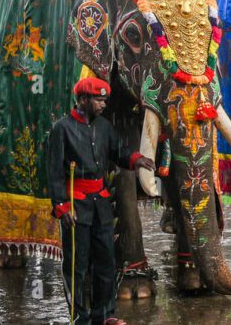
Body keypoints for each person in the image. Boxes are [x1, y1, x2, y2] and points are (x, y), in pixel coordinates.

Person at [47, 77, 153, 325]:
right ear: (83, 100)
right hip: (76, 208)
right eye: (98, 100)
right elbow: (54, 173)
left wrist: (135, 159)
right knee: (77, 267)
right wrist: (62, 207)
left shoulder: (104, 126)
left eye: (105, 100)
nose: (104, 104)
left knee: (106, 263)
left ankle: (105, 315)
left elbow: (118, 151)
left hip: (101, 207)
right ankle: (79, 318)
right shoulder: (61, 129)